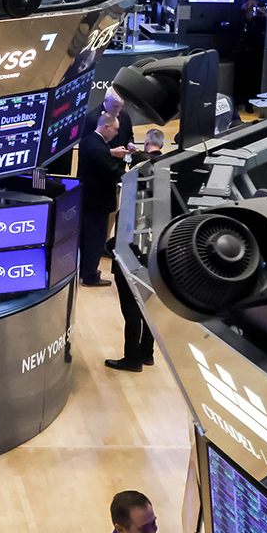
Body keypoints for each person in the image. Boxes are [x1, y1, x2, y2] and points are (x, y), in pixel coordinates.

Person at [106, 129, 161, 372]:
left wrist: (108, 245)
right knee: (148, 310)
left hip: (130, 262)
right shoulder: (157, 194)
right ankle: (147, 354)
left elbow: (125, 236)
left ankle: (132, 359)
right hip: (152, 259)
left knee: (132, 313)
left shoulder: (132, 197)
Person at [77, 87, 134, 287]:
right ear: (107, 127)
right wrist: (130, 177)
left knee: (86, 237)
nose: (118, 133)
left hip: (88, 198)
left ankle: (85, 270)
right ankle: (90, 275)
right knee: (94, 239)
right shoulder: (100, 150)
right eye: (116, 130)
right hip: (98, 202)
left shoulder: (90, 143)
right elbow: (110, 172)